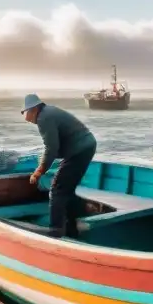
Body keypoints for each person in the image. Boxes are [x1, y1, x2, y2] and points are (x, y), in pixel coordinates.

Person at [23, 94, 97, 239]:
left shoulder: (43, 118)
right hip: (85, 147)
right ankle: (77, 222)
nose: (26, 117)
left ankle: (55, 231)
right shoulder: (49, 112)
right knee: (67, 189)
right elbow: (57, 145)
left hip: (79, 150)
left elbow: (51, 148)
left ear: (34, 109)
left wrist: (39, 171)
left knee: (57, 189)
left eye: (26, 112)